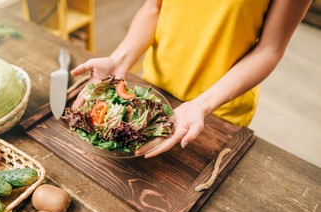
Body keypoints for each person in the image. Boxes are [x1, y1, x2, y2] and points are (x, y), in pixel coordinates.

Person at [70, 0, 312, 158]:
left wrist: (201, 105)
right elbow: (155, 8)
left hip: (218, 110)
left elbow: (269, 49)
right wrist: (119, 61)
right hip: (153, 92)